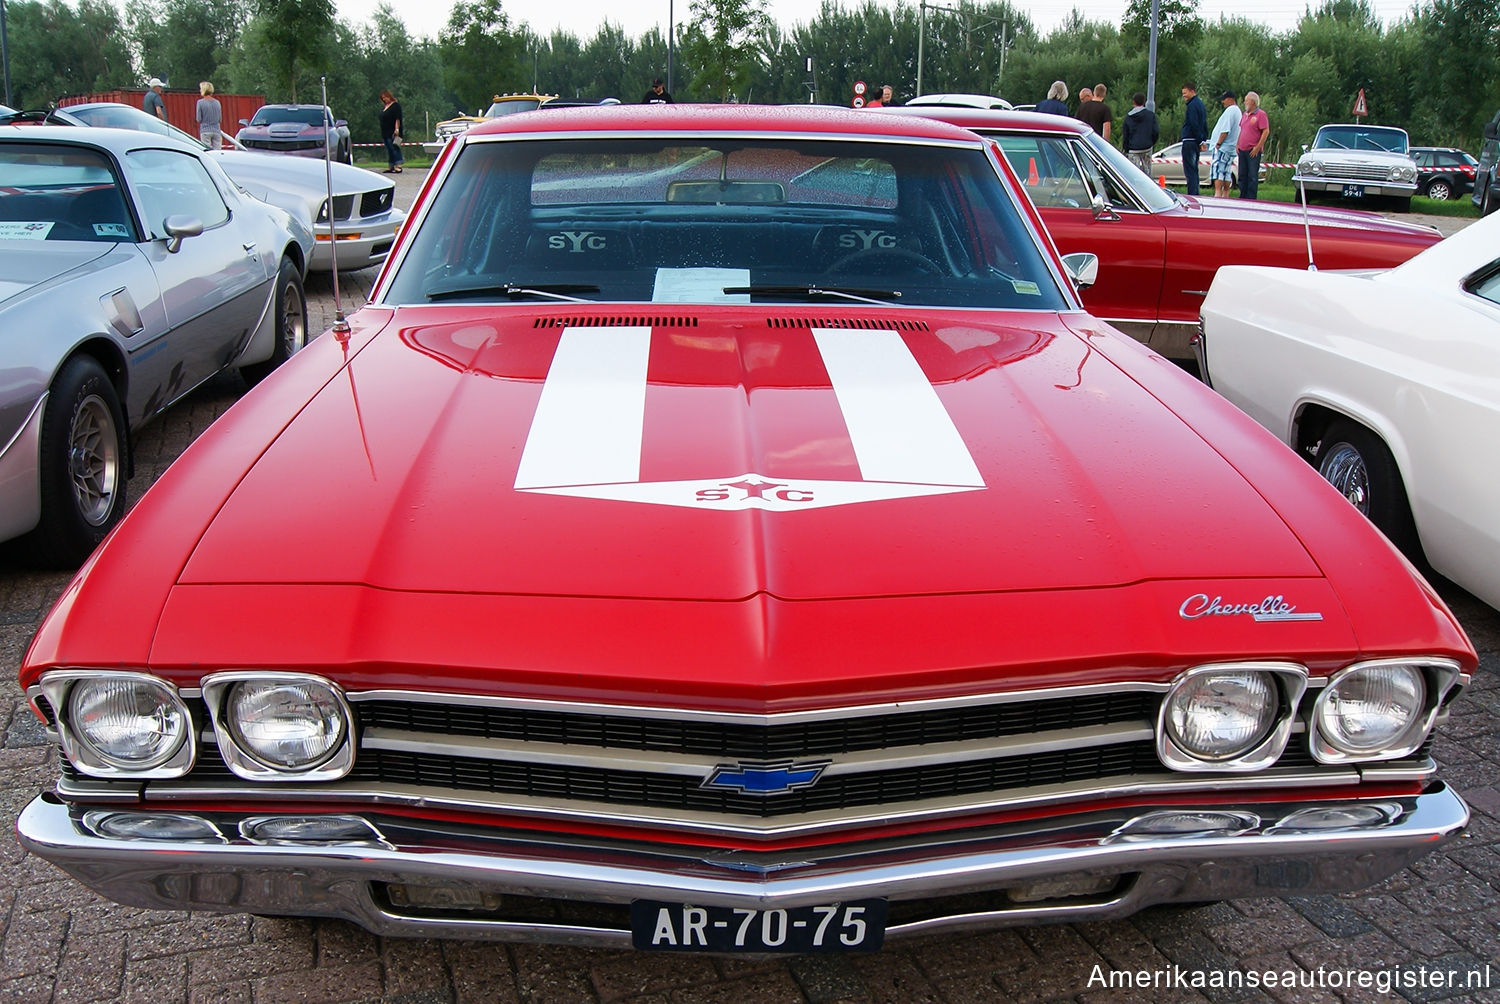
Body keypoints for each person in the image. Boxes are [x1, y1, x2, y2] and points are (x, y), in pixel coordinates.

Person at [1210, 90, 1243, 198]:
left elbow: (1225, 129)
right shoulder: (1237, 111)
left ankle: (1218, 193)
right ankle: (1226, 193)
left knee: (1219, 170)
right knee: (1227, 171)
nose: (1222, 101)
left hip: (1223, 147)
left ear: (1230, 99)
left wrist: (1218, 143)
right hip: (1231, 147)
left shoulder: (1230, 111)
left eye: (1224, 99)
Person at [1237, 92, 1269, 200]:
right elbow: (1242, 130)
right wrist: (1238, 143)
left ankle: (1251, 198)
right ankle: (1243, 196)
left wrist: (1258, 146)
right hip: (1242, 149)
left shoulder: (1261, 114)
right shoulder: (1244, 115)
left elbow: (1265, 131)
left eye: (1246, 100)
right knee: (1242, 175)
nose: (1245, 102)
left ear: (1252, 102)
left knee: (1252, 176)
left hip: (1253, 149)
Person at [1179, 82, 1208, 197]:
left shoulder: (1192, 106)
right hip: (1196, 141)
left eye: (1185, 93)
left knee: (1190, 170)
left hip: (1190, 140)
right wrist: (1203, 139)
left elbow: (1194, 123)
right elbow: (1204, 123)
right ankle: (1195, 192)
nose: (1184, 96)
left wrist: (1200, 139)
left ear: (1192, 91)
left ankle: (1192, 194)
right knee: (1194, 169)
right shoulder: (1200, 104)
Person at [1120, 91, 1158, 177]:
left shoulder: (1129, 117)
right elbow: (1155, 131)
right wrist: (1151, 142)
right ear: (1144, 102)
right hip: (1147, 147)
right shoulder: (1150, 115)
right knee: (1147, 171)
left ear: (1133, 102)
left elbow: (1126, 134)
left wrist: (1126, 148)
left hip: (1133, 148)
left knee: (1134, 172)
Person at [378, 89, 404, 174]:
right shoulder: (385, 107)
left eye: (385, 97)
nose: (384, 99)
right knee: (389, 149)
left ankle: (398, 165)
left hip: (393, 131)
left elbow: (397, 118)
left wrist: (397, 129)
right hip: (385, 131)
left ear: (389, 96)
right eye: (383, 98)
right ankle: (391, 166)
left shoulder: (395, 106)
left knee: (394, 148)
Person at [196, 81, 223, 150]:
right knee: (217, 152)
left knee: (207, 151)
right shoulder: (217, 102)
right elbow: (220, 119)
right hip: (216, 130)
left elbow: (198, 119)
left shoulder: (200, 102)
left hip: (205, 130)